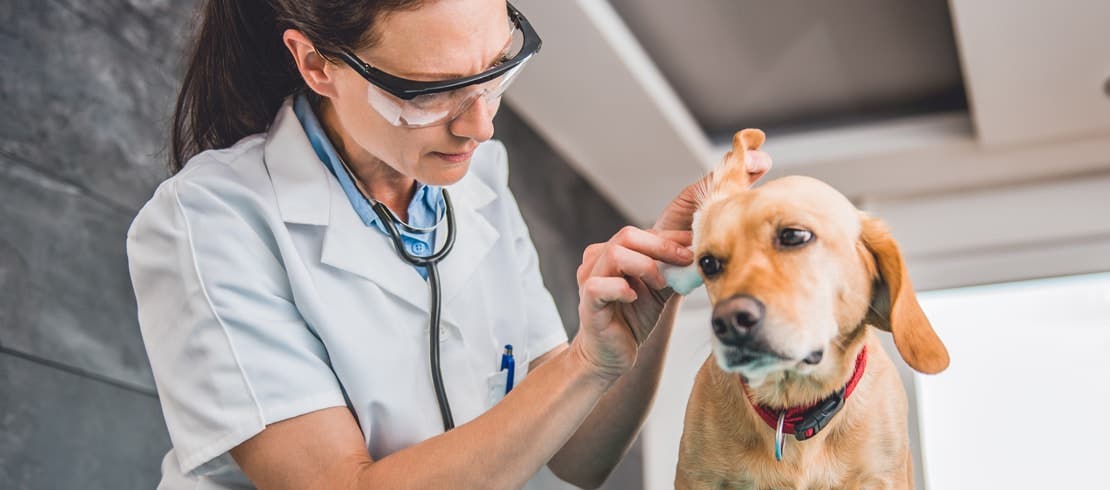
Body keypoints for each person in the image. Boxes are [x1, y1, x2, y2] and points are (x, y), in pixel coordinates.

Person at [126, 0, 771, 488]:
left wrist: (651, 292)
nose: (481, 125)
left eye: (496, 70)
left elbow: (579, 460)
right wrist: (579, 367)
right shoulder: (211, 220)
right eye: (431, 93)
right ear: (317, 63)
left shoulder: (479, 182)